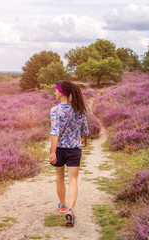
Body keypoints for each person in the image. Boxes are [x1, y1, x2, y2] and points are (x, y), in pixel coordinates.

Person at [49, 80, 89, 227]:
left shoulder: (55, 110)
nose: (54, 92)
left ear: (62, 93)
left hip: (59, 149)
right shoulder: (78, 108)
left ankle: (62, 205)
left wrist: (53, 152)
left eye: (56, 90)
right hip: (74, 149)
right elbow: (84, 127)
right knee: (73, 180)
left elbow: (54, 132)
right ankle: (71, 210)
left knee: (60, 177)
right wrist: (84, 139)